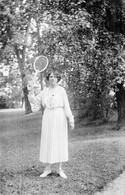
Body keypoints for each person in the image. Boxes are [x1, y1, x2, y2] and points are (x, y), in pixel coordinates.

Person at [34, 69, 74, 179]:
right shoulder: (44, 91)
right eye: (50, 76)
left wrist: (71, 119)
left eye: (54, 76)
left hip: (59, 116)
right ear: (48, 79)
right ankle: (47, 169)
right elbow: (35, 103)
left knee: (59, 141)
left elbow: (66, 105)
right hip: (47, 117)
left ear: (58, 79)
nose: (52, 78)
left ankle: (60, 169)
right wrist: (31, 91)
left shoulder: (61, 91)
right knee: (47, 141)